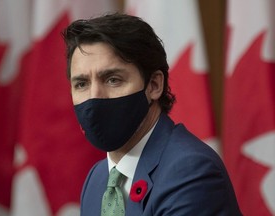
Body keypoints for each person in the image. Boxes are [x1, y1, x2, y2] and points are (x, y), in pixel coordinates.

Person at [62, 13, 242, 216]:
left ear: (154, 85)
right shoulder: (97, 179)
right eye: (81, 84)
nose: (95, 97)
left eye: (113, 79)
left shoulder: (191, 171)